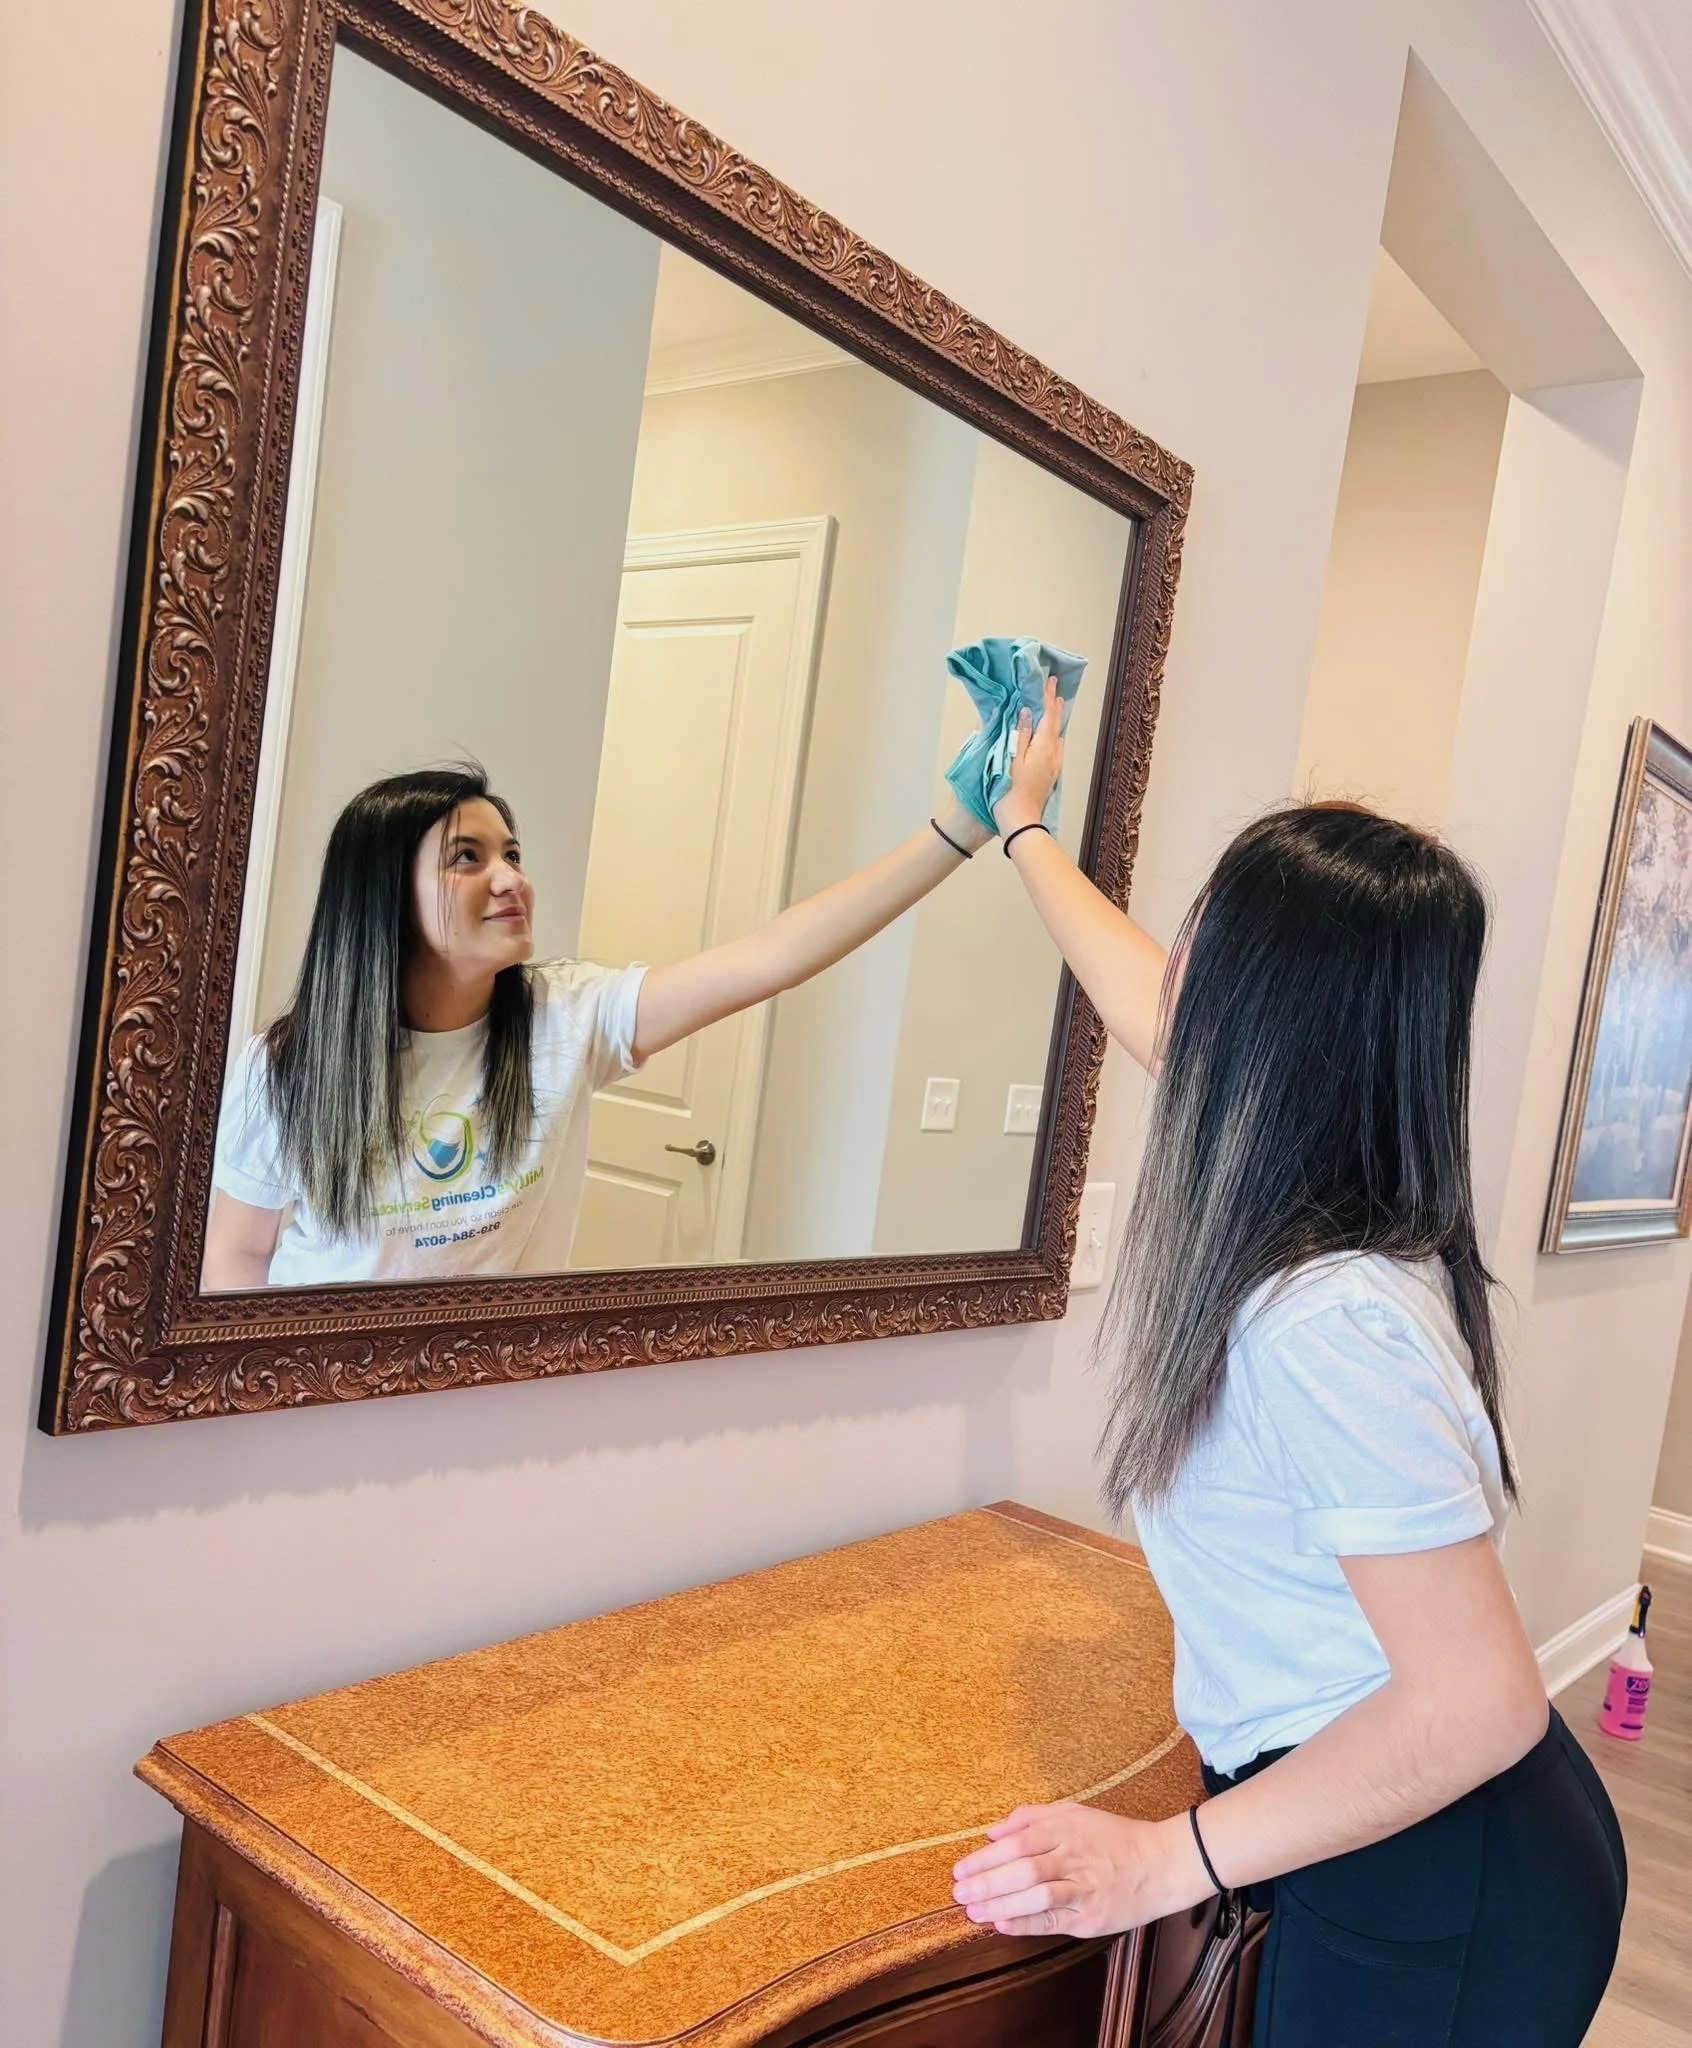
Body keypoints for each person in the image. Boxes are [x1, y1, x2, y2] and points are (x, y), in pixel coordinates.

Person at [950, 681, 1626, 2045]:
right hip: (1405, 1834)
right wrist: (1023, 827)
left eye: (1203, 936)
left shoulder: (1323, 1320)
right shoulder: (1337, 1191)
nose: (1176, 966)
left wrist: (1164, 1860)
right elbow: (1147, 1001)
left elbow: (1481, 1703)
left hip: (1434, 1870)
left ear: (1265, 1012)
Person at [205, 765, 990, 1288]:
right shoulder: (286, 1067)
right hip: (319, 1407)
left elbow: (772, 957)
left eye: (512, 853)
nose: (512, 879)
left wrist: (960, 826)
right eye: (467, 858)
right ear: (383, 897)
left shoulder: (568, 1017)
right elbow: (238, 1257)